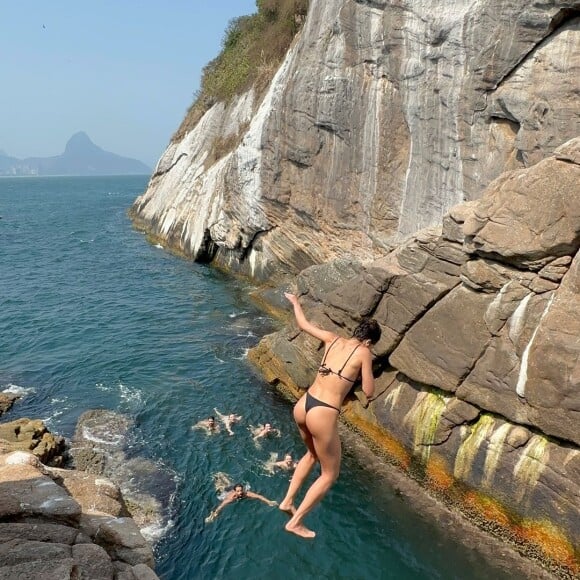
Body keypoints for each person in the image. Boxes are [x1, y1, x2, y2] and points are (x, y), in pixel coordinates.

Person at [279, 292, 381, 539]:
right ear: (368, 342)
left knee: (312, 454)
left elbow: (303, 324)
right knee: (330, 474)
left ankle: (287, 501)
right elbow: (368, 390)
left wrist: (295, 302)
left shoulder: (332, 339)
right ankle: (296, 522)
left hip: (303, 405)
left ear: (357, 332)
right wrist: (366, 380)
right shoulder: (364, 353)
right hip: (322, 413)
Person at [205, 482, 278, 522]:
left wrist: (269, 502)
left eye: (241, 490)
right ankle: (217, 477)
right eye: (238, 491)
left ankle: (222, 477)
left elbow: (259, 496)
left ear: (243, 489)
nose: (240, 493)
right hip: (226, 492)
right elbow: (221, 506)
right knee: (220, 487)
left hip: (232, 488)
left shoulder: (246, 493)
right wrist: (213, 515)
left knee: (228, 483)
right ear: (235, 491)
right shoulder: (231, 498)